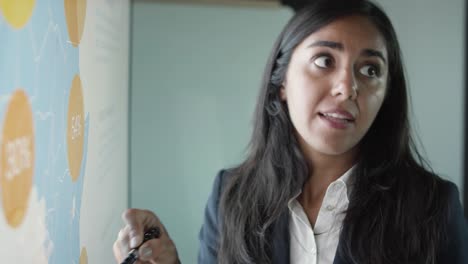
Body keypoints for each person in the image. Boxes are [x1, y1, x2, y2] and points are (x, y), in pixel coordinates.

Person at [113, 0, 468, 263]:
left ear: (387, 93)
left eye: (370, 70)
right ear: (281, 81)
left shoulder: (434, 206)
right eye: (325, 61)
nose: (347, 87)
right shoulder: (230, 197)